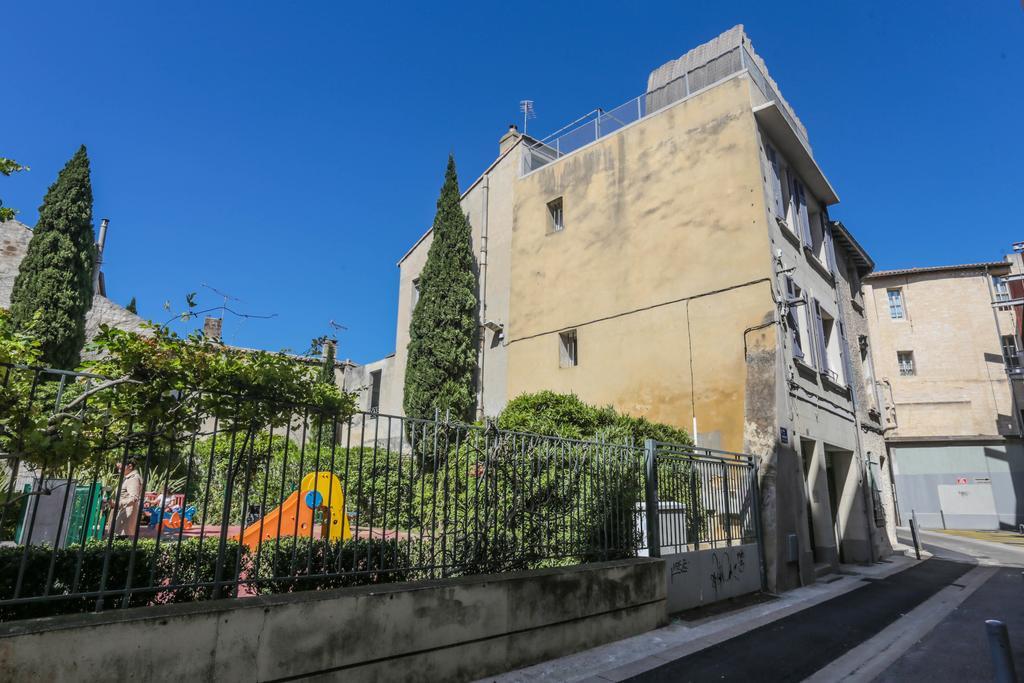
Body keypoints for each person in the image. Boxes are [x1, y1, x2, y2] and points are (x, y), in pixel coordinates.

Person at [109, 458, 143, 538]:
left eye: (121, 468)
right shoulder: (127, 478)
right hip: (122, 512)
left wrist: (116, 503)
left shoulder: (133, 479)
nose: (119, 471)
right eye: (118, 468)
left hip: (126, 514)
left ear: (130, 466)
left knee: (119, 541)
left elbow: (134, 498)